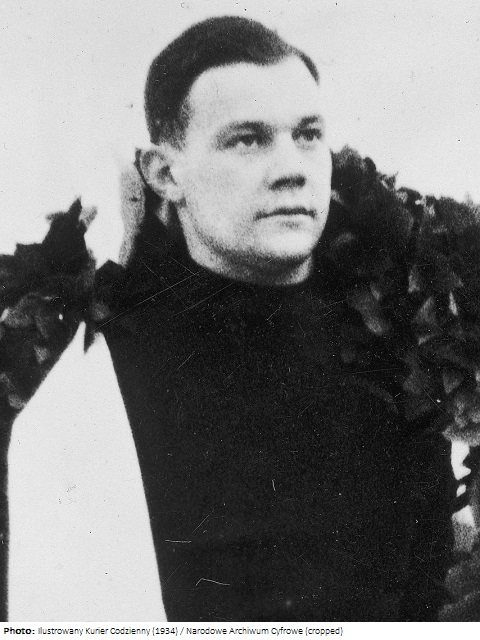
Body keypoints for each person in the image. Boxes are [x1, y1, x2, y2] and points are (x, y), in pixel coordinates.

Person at [4, 16, 479, 621]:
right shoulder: (99, 378)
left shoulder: (411, 336)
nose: (292, 167)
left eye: (308, 134)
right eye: (248, 140)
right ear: (164, 173)